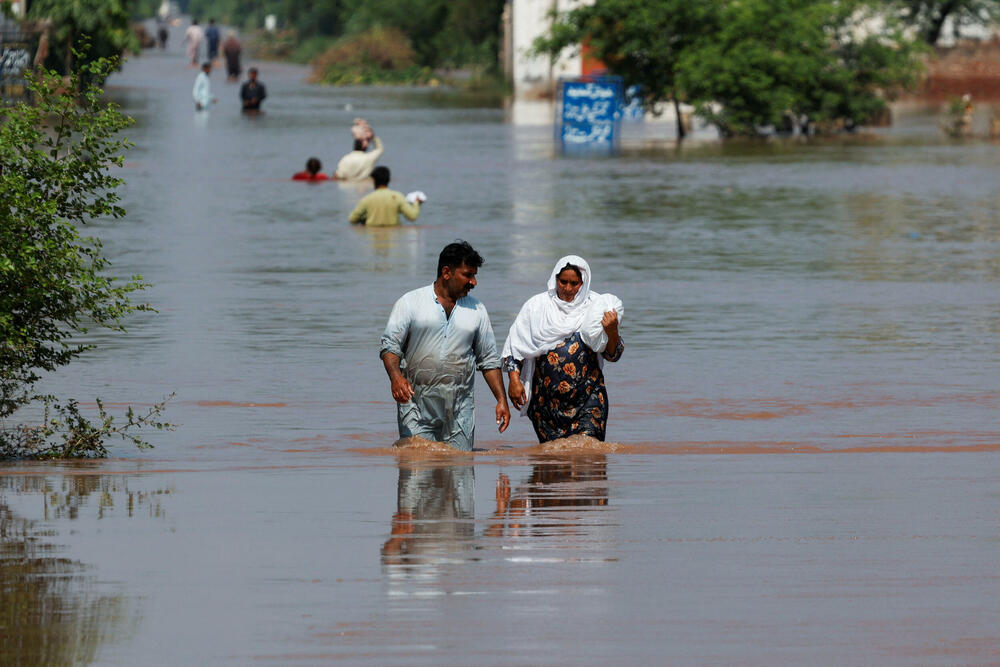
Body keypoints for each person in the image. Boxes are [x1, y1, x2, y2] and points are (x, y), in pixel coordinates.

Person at [380, 241, 511, 451]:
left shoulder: (477, 310)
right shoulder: (410, 303)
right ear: (447, 272)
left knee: (460, 474)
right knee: (417, 474)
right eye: (468, 275)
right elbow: (390, 346)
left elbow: (488, 360)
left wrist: (501, 400)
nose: (474, 282)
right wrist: (396, 378)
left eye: (474, 275)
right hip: (416, 406)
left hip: (460, 411)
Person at [502, 256, 624, 443]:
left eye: (574, 283)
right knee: (551, 465)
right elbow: (514, 346)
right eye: (563, 282)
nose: (568, 289)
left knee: (589, 459)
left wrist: (612, 331)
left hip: (588, 399)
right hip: (546, 405)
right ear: (555, 279)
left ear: (583, 283)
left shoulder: (596, 306)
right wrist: (514, 379)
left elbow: (613, 355)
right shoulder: (537, 307)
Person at [348, 166, 420, 226]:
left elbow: (352, 219)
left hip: (372, 234)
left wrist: (363, 219)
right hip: (394, 235)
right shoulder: (398, 197)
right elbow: (413, 217)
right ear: (389, 180)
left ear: (374, 181)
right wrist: (416, 202)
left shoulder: (367, 198)